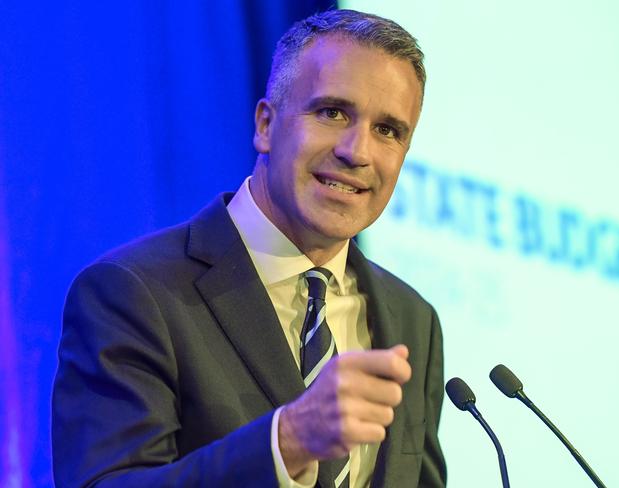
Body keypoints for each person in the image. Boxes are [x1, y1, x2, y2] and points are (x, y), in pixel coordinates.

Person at [52, 9, 446, 488]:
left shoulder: (412, 318)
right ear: (265, 124)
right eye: (331, 112)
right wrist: (286, 443)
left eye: (388, 130)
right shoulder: (133, 292)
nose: (357, 152)